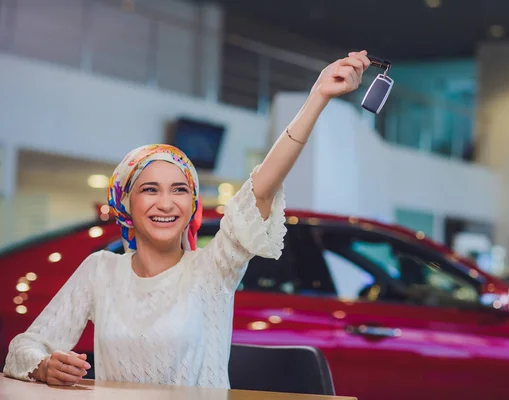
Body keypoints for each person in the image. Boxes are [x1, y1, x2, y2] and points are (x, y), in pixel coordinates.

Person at [3, 50, 371, 388]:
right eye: (150, 190)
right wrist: (43, 365)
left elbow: (260, 189)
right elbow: (25, 346)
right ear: (125, 205)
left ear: (193, 204)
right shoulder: (100, 271)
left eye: (180, 190)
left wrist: (317, 97)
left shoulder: (213, 269)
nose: (166, 203)